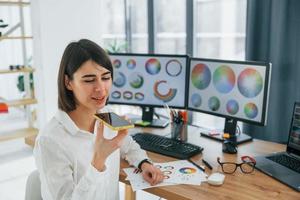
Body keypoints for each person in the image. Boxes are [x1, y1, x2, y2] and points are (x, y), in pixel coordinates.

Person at [34, 39, 164, 200]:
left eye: (105, 77)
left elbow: (129, 146)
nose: (101, 88)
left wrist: (144, 163)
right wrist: (98, 161)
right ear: (68, 82)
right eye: (89, 80)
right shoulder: (50, 141)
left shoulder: (107, 113)